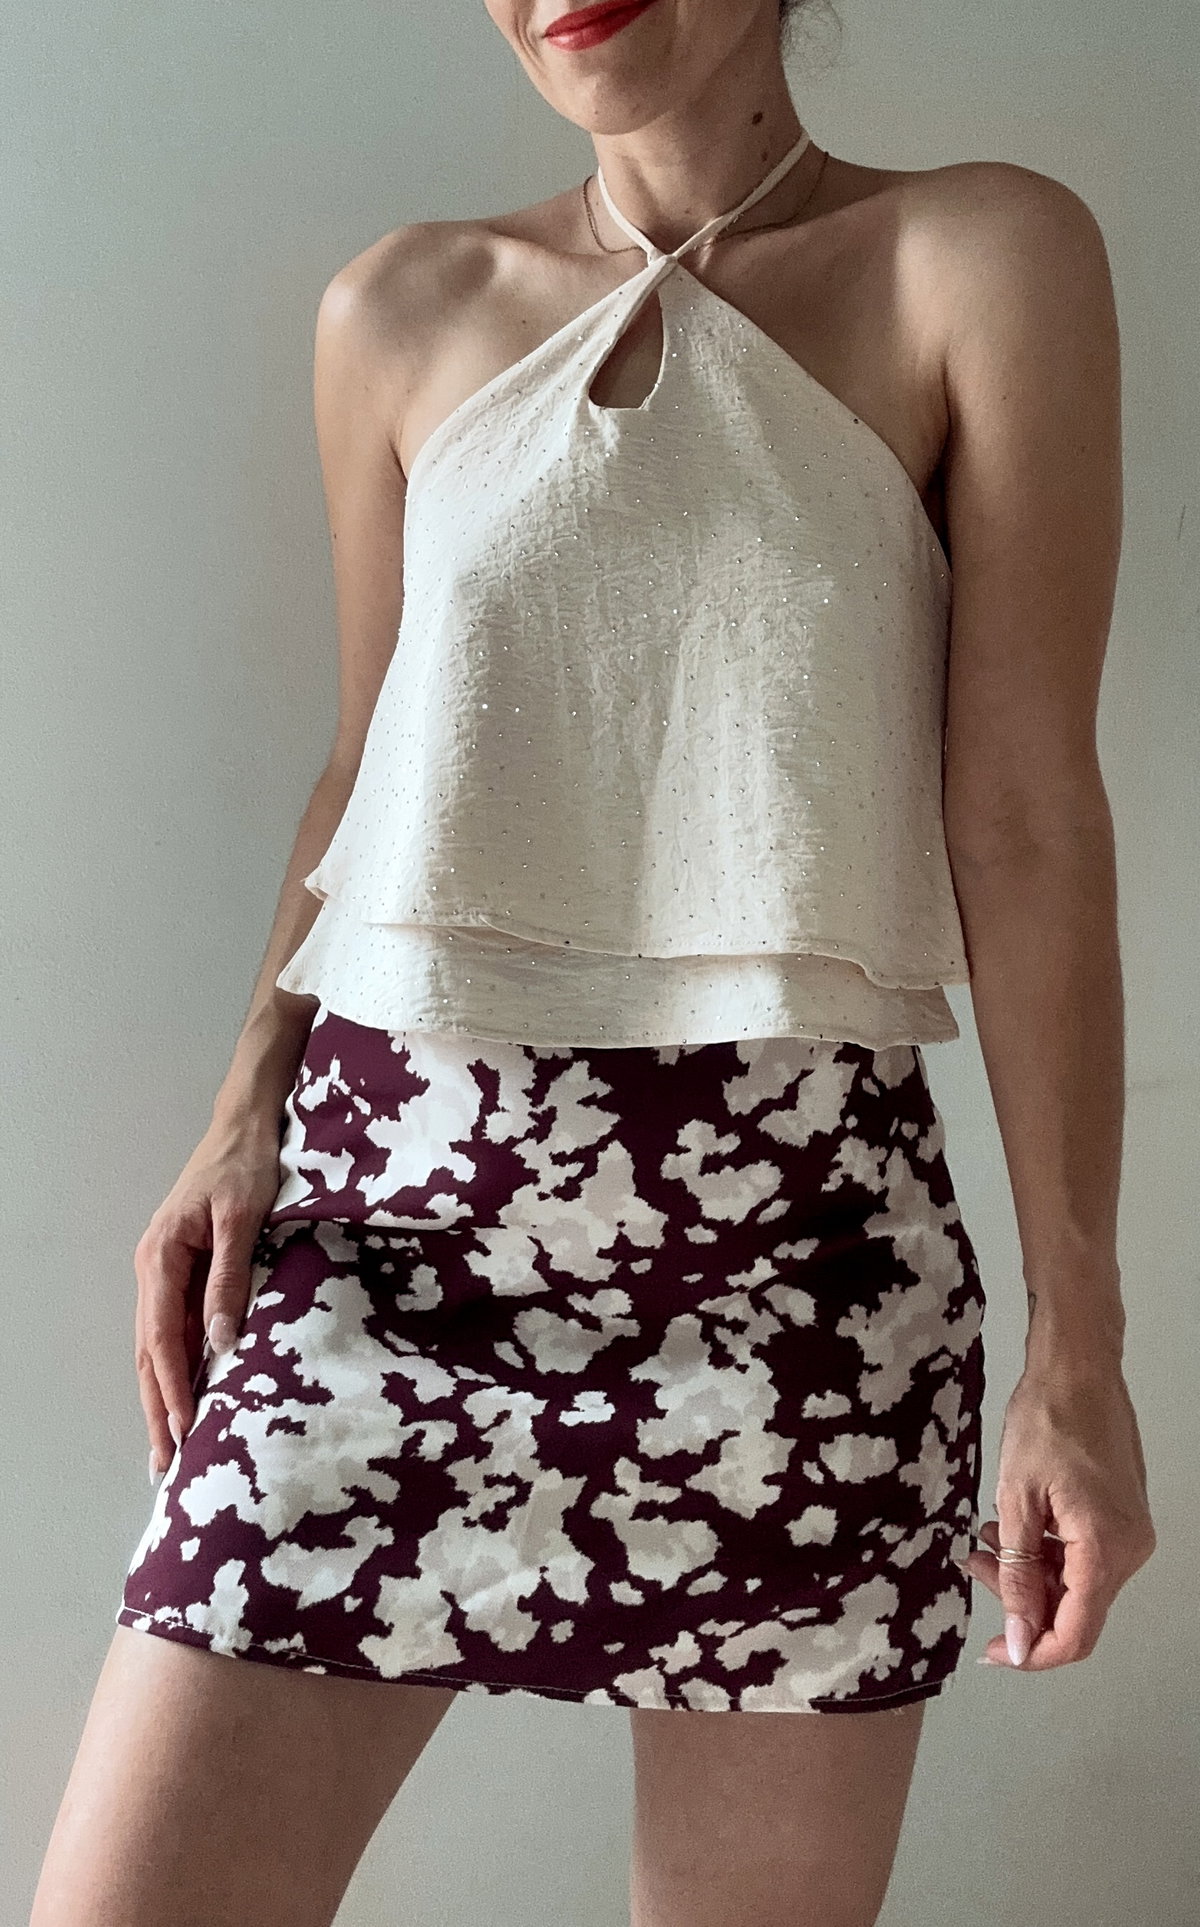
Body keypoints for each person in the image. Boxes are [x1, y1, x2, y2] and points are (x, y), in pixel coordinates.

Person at [31, 1, 1157, 1923]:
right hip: (388, 1238)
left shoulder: (979, 256)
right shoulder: (399, 308)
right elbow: (371, 764)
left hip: (794, 1270)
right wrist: (240, 1114)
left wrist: (1082, 1342)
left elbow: (1029, 816)